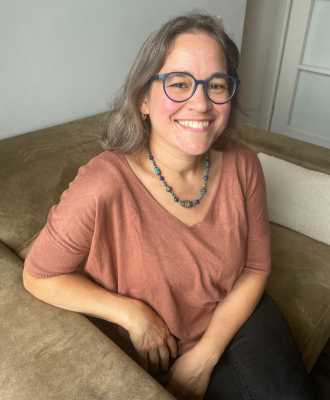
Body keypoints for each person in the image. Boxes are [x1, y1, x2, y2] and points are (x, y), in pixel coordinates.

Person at [23, 11, 316, 400]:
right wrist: (131, 312)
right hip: (160, 345)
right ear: (143, 99)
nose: (201, 104)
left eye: (216, 85)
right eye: (179, 83)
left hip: (240, 316)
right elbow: (39, 275)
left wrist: (205, 355)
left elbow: (256, 267)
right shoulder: (104, 183)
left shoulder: (244, 163)